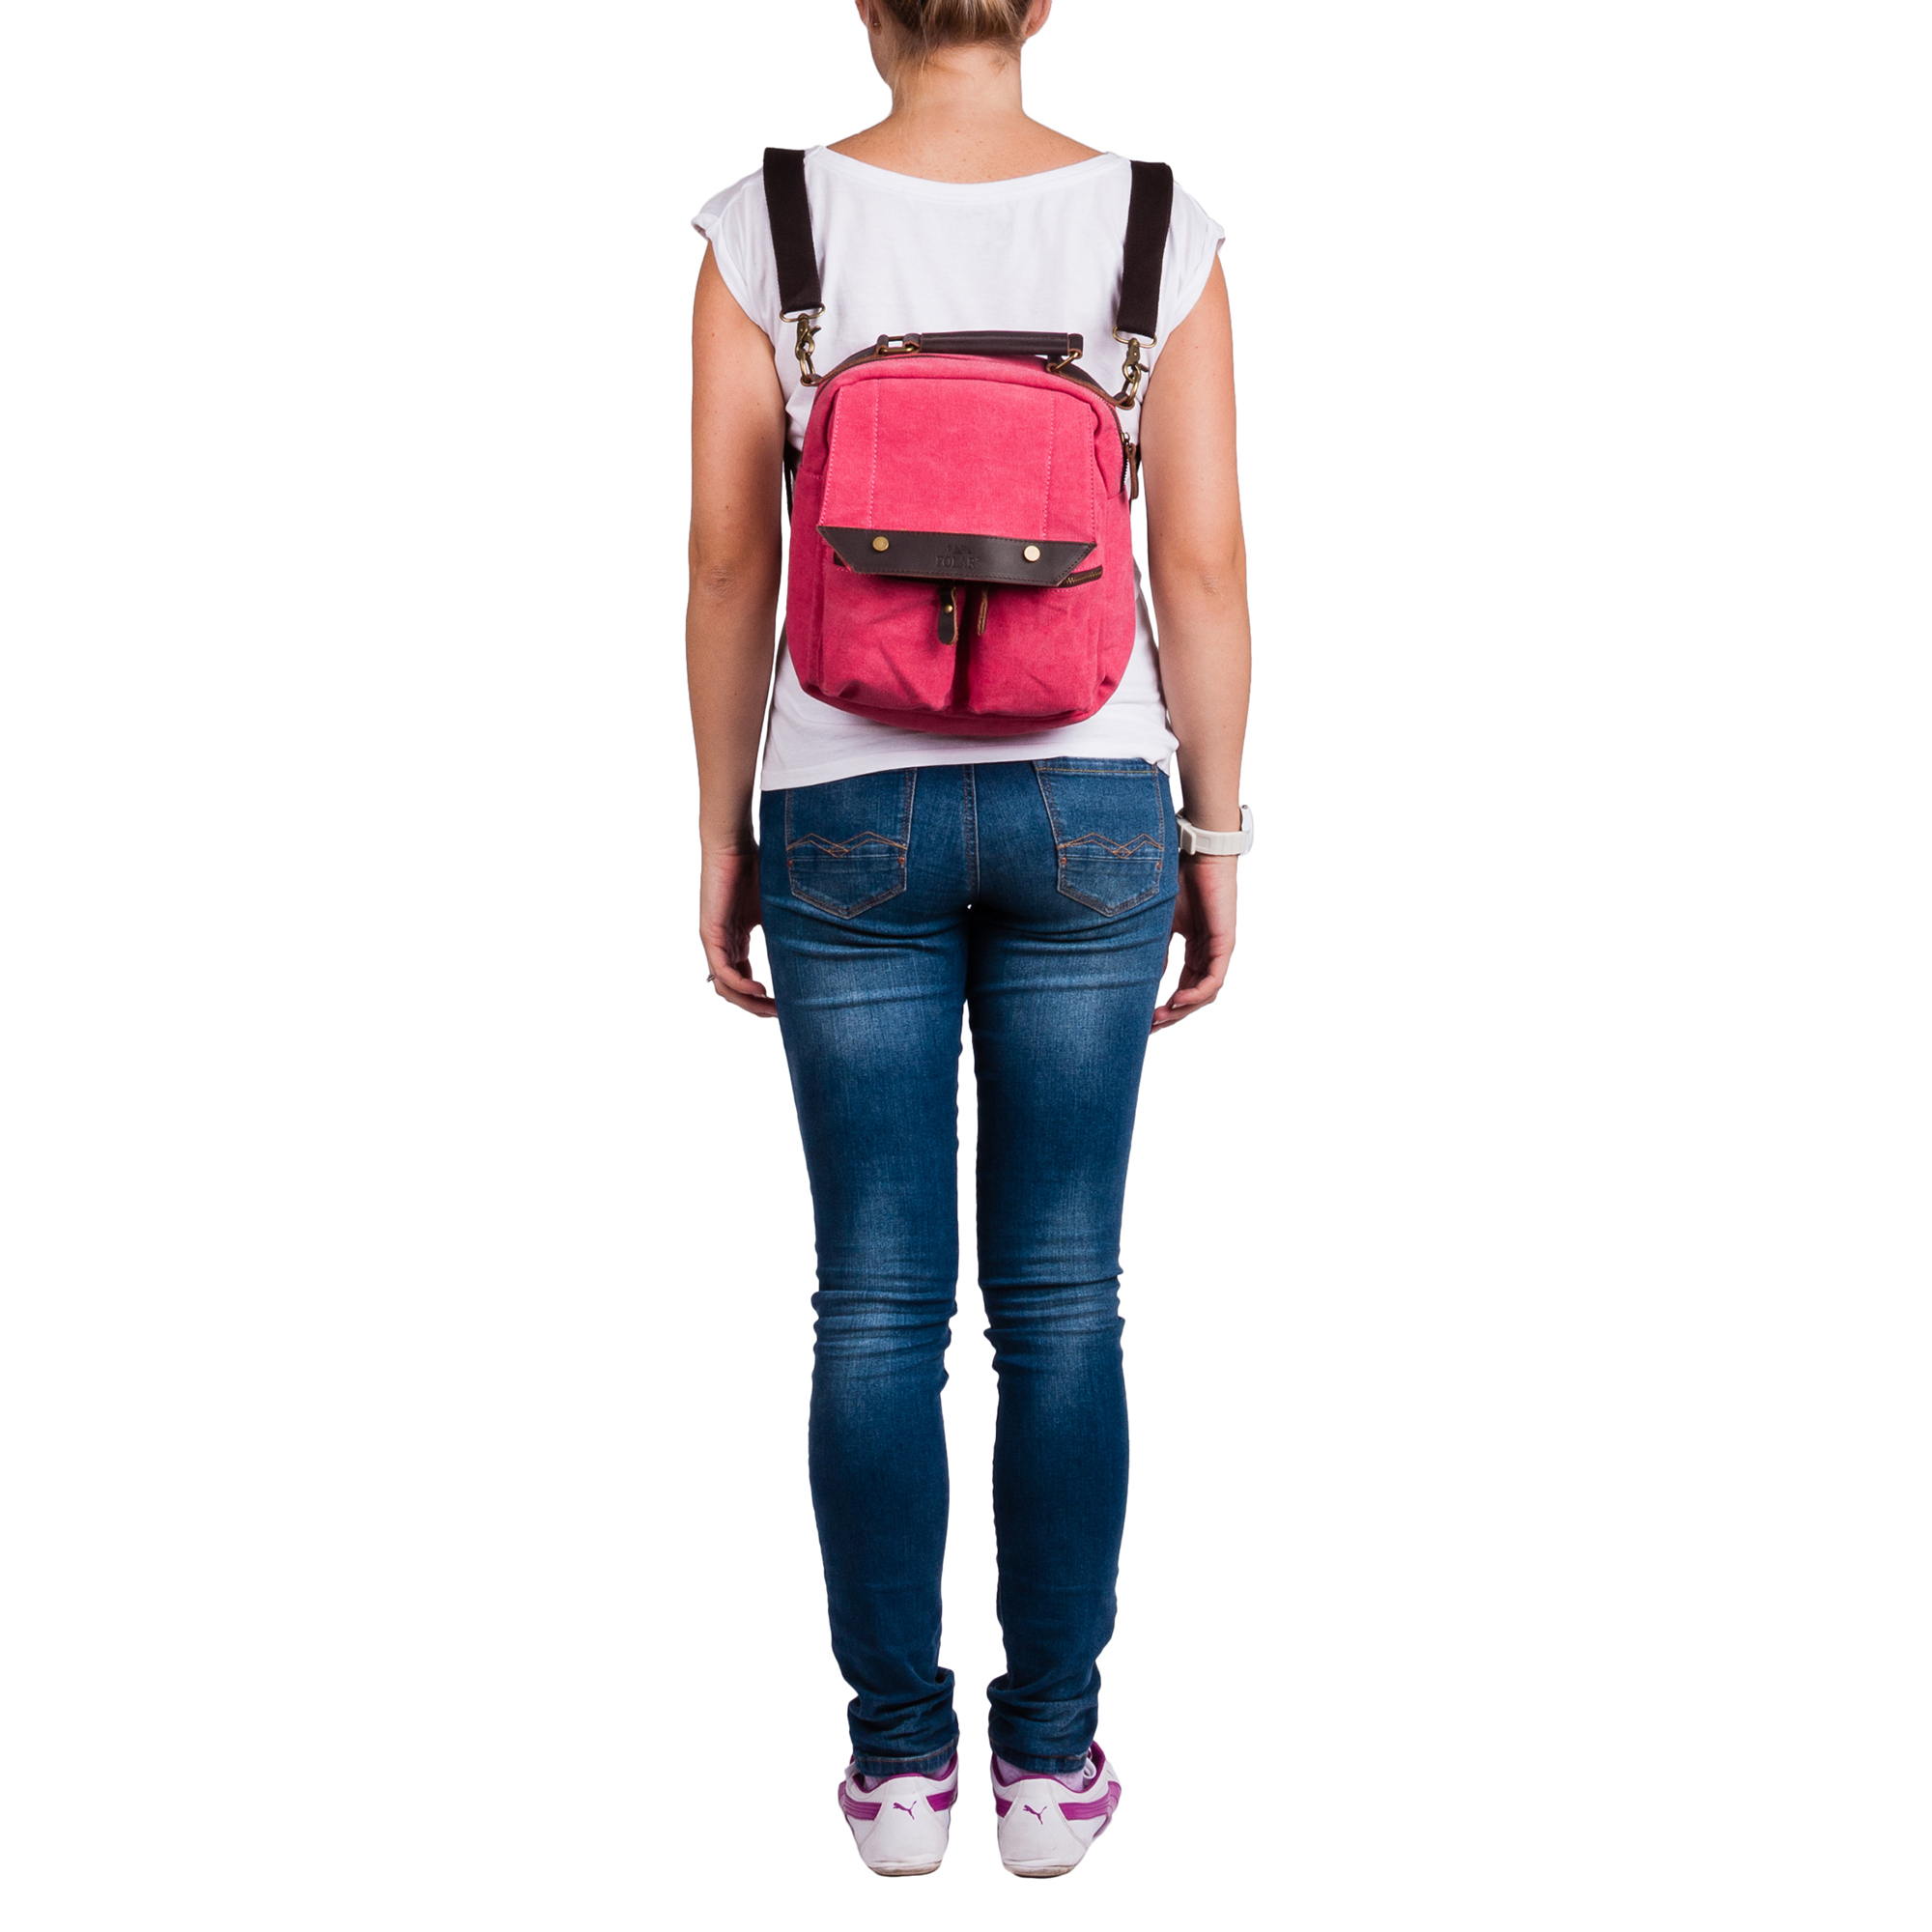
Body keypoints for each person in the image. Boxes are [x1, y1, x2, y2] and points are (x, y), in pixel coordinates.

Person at [686, 0, 1251, 1880]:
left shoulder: (767, 223)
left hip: (840, 806)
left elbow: (724, 559)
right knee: (1064, 1299)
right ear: (1039, 2)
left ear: (868, 3)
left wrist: (722, 827)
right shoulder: (1156, 225)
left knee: (873, 1302)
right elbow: (1203, 562)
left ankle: (901, 1773)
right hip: (1096, 794)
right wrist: (1214, 831)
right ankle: (1051, 1766)